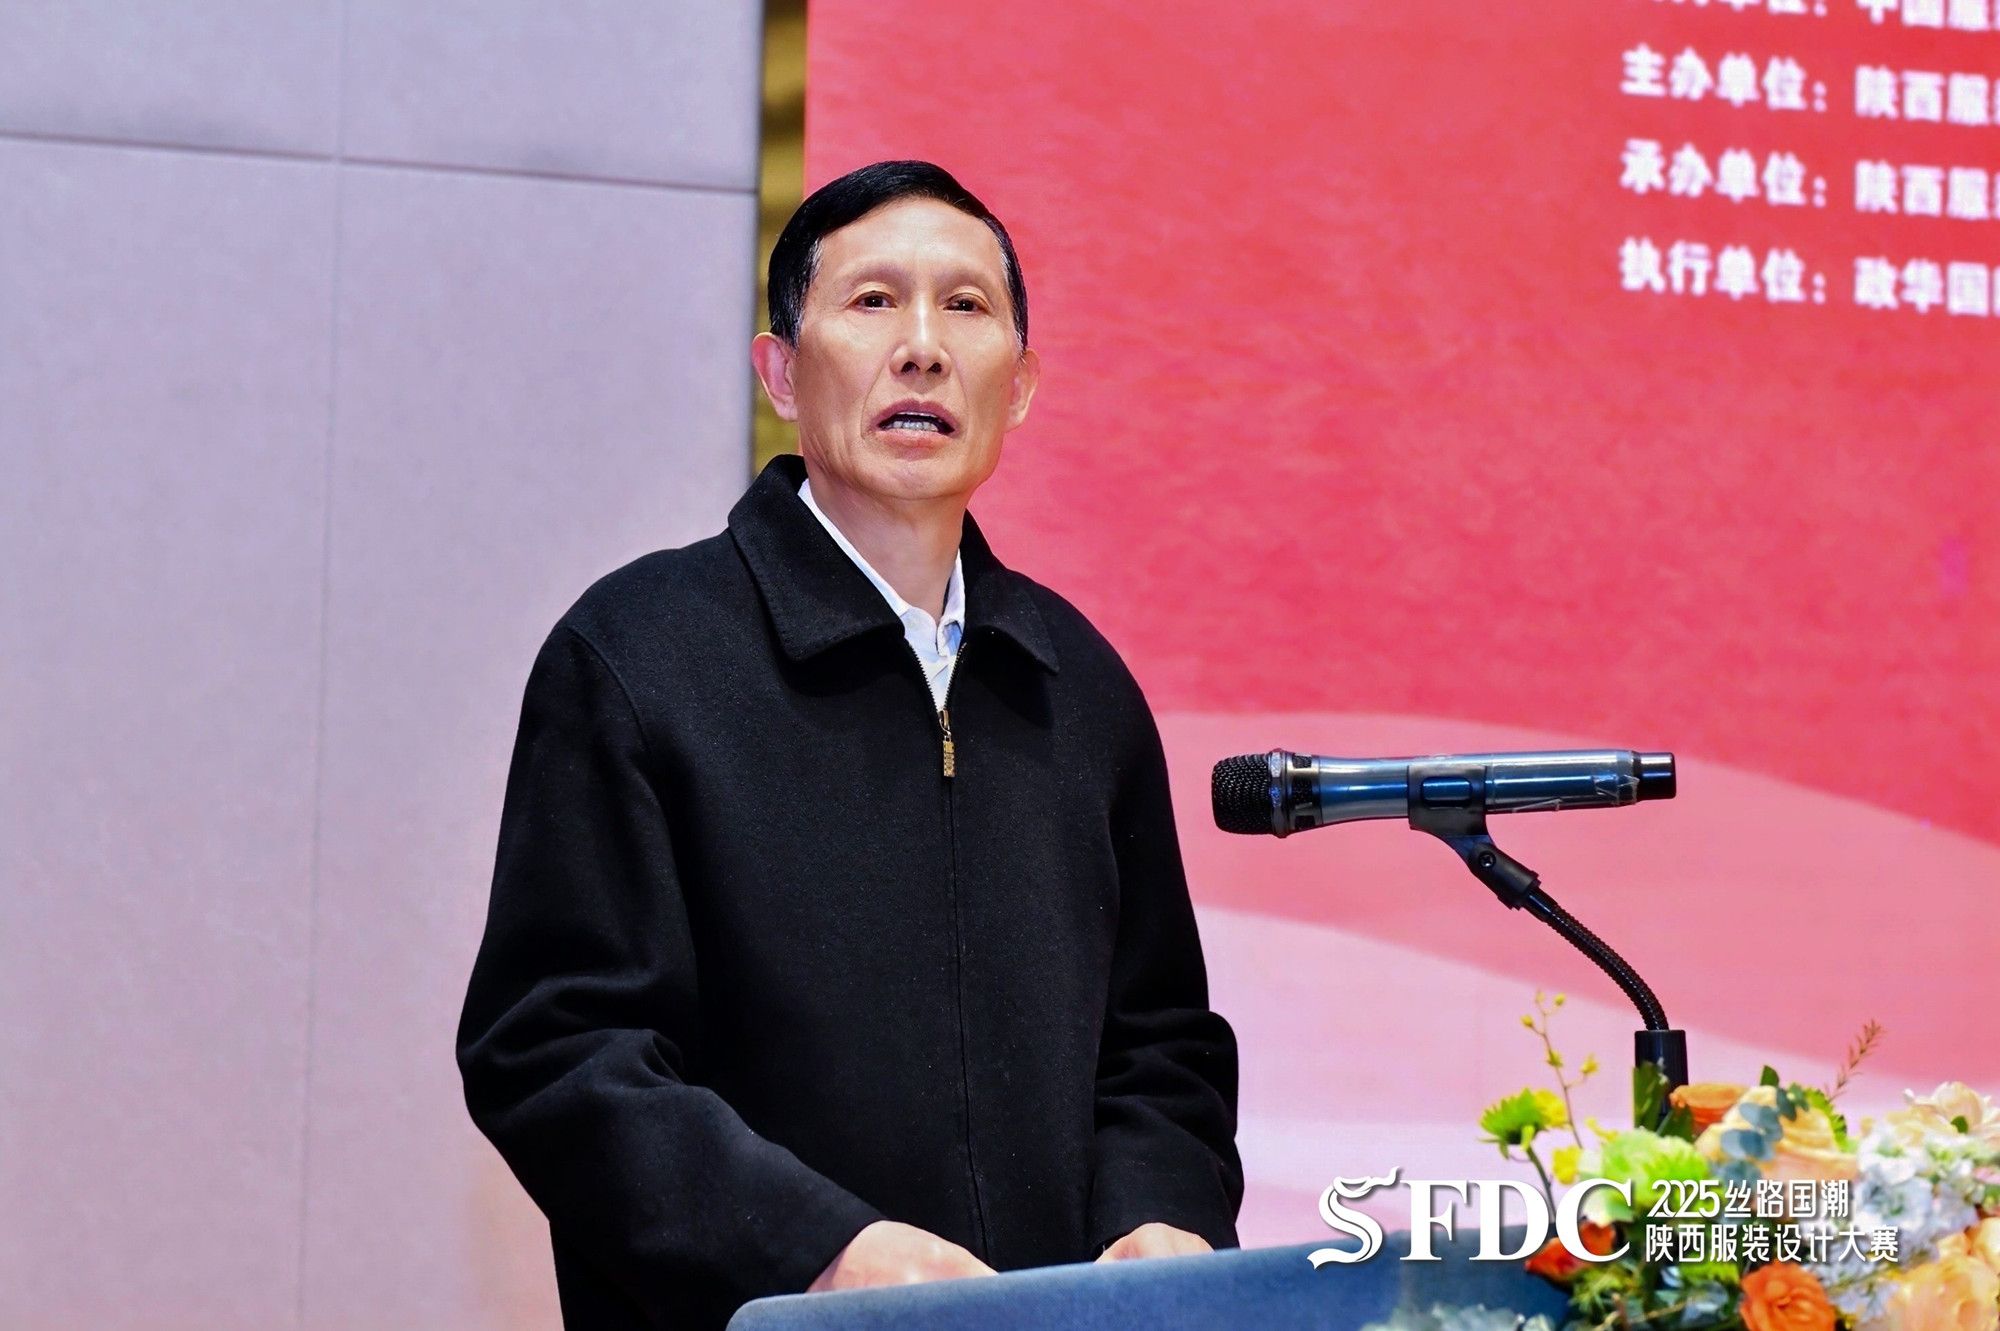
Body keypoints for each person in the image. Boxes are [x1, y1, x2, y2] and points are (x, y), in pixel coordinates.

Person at [457, 160, 1241, 1330]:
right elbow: (560, 1050)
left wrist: (1160, 1216)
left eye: (964, 306)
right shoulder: (636, 655)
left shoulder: (1077, 687)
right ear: (780, 371)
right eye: (873, 301)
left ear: (1020, 385)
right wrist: (820, 1250)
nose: (921, 347)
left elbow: (1157, 1045)